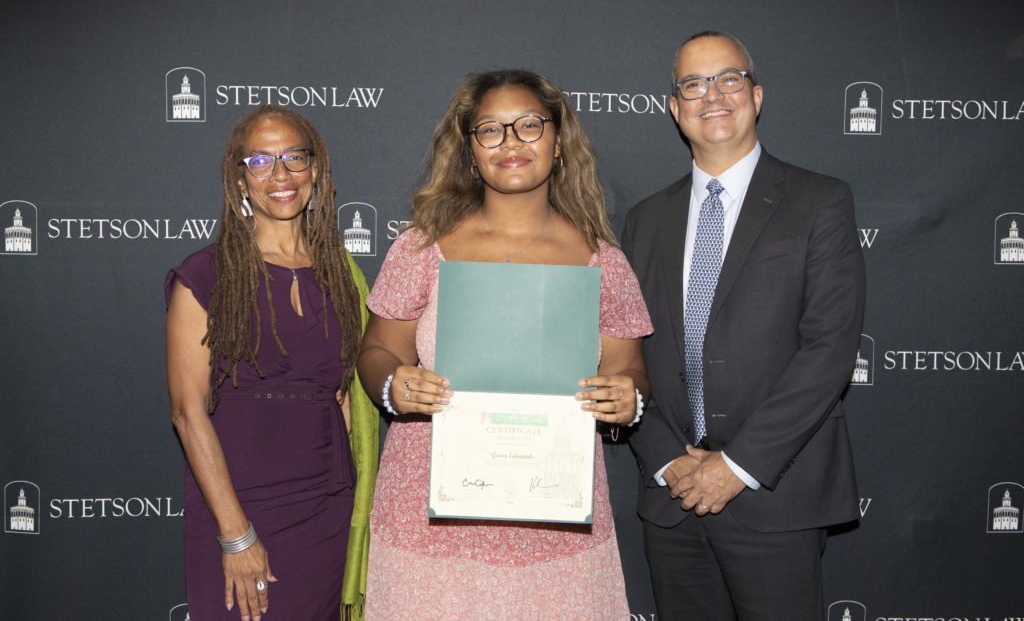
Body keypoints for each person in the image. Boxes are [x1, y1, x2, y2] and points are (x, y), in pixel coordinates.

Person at [357, 69, 653, 619]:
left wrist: (626, 398)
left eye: (529, 125)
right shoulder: (420, 248)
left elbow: (631, 372)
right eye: (490, 130)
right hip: (429, 518)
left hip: (556, 520)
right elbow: (377, 353)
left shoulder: (603, 262)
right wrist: (395, 385)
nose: (511, 142)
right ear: (470, 151)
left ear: (559, 141)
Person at [622, 31, 866, 620]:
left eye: (729, 79)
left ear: (756, 96)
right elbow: (622, 353)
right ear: (675, 107)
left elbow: (829, 351)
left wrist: (737, 468)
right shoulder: (644, 220)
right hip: (672, 495)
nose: (713, 95)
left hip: (774, 494)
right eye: (693, 84)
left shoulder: (820, 202)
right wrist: (667, 459)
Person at [165, 104, 378, 621]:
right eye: (260, 162)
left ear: (316, 170)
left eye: (294, 158)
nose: (280, 175)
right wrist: (236, 535)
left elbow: (345, 400)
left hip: (327, 511)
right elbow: (188, 412)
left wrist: (355, 514)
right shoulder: (206, 275)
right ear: (240, 178)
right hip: (239, 506)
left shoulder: (343, 278)